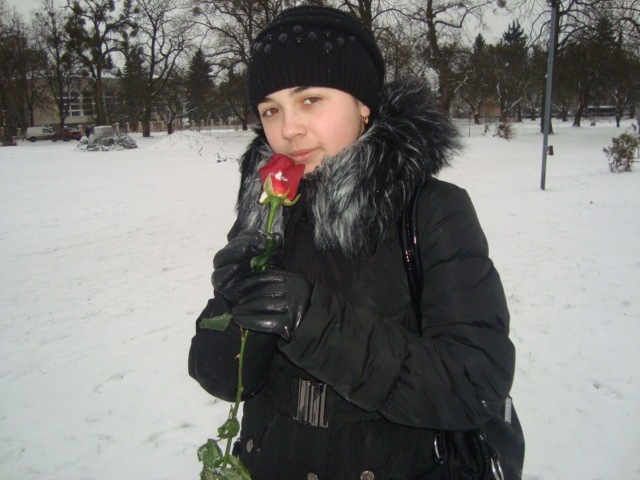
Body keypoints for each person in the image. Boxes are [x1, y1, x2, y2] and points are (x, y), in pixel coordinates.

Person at [189, 5, 522, 479]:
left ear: (363, 104)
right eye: (270, 110)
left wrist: (313, 322)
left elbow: (475, 385)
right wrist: (235, 306)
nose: (288, 129)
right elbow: (223, 380)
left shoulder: (432, 211)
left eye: (310, 100)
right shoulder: (267, 210)